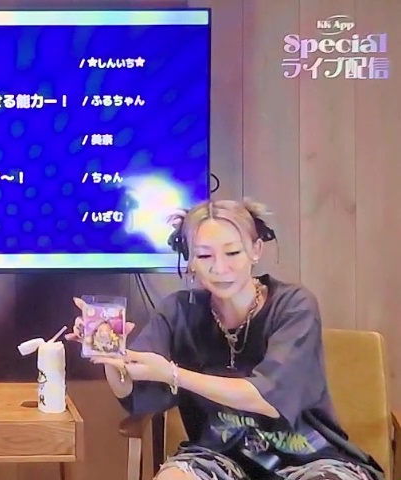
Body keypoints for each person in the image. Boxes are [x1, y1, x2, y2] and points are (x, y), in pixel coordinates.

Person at [66, 199, 383, 480]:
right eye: (204, 255)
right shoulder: (179, 311)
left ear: (255, 250)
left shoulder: (294, 305)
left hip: (308, 458)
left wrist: (174, 374)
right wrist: (111, 357)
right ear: (190, 260)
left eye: (232, 252)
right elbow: (134, 391)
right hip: (218, 455)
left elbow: (267, 399)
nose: (220, 268)